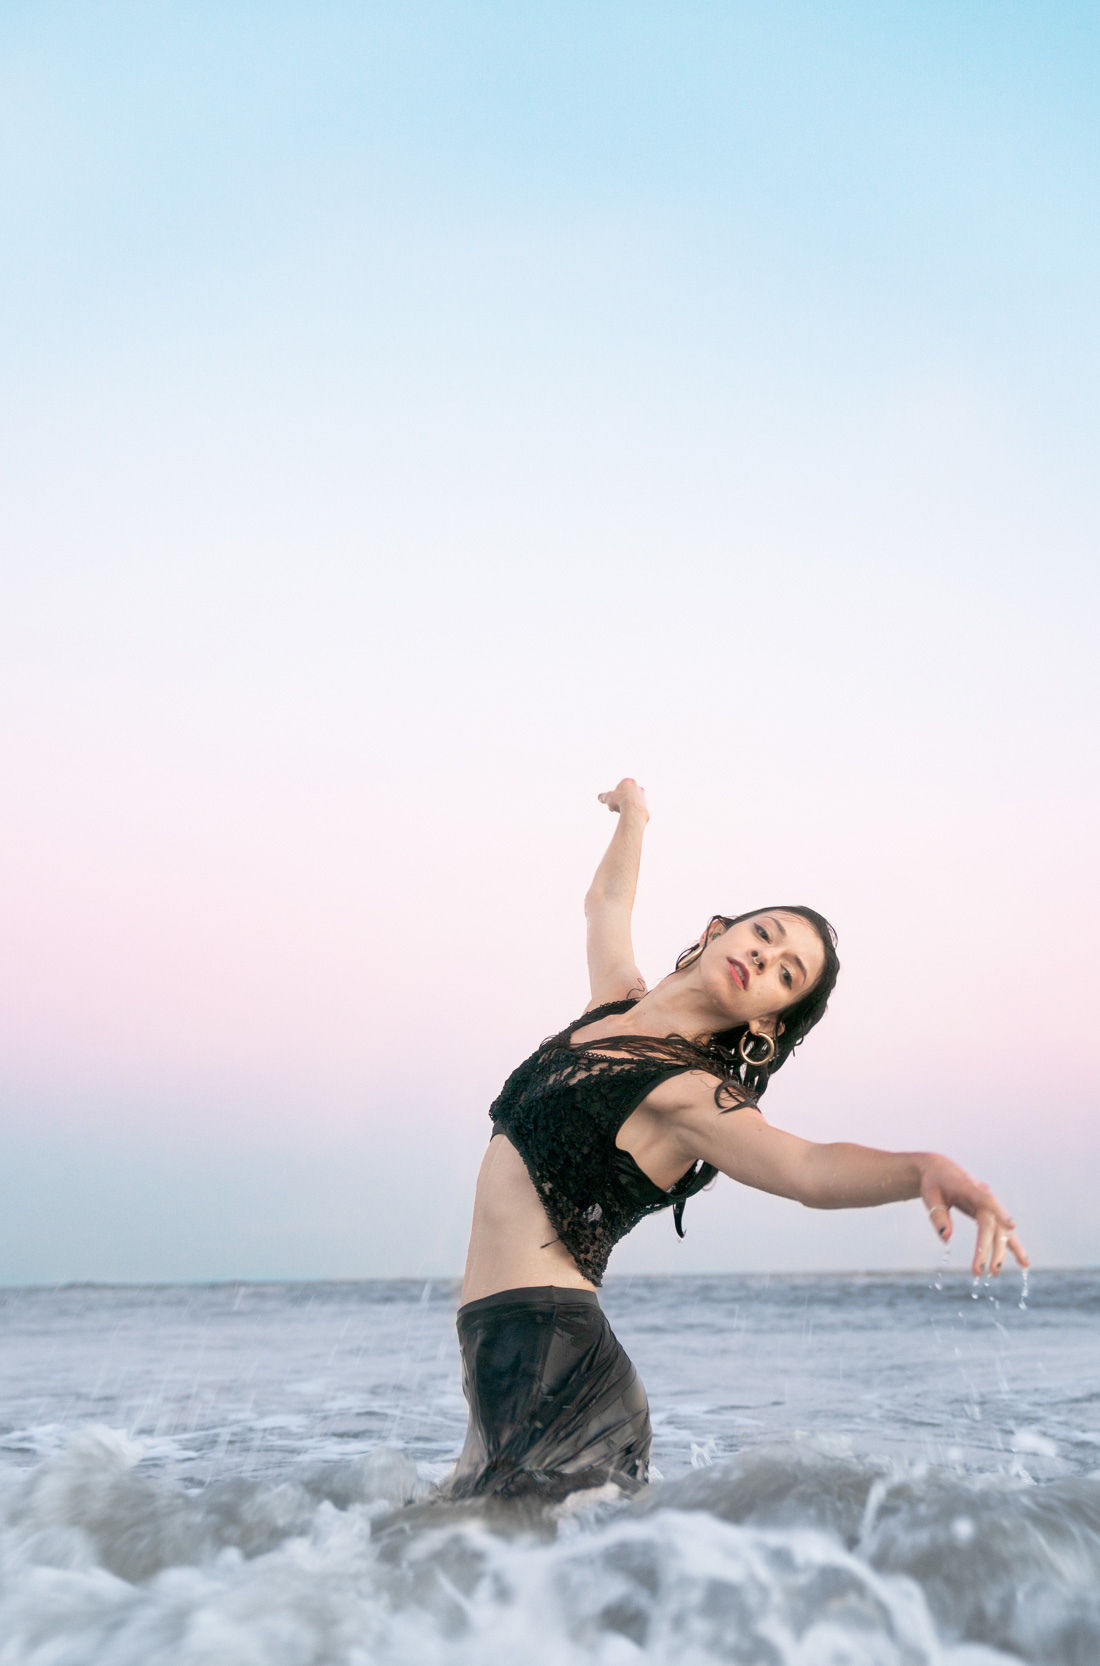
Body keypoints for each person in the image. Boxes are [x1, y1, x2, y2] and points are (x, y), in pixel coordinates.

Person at [448, 779, 1027, 1501]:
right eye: (765, 935)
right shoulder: (611, 1008)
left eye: (786, 974)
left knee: (436, 1577)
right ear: (719, 927)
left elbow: (807, 1167)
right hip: (502, 1359)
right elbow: (606, 907)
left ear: (767, 1023)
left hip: (554, 1363)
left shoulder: (689, 1095)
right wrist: (635, 815)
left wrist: (925, 1169)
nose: (764, 958)